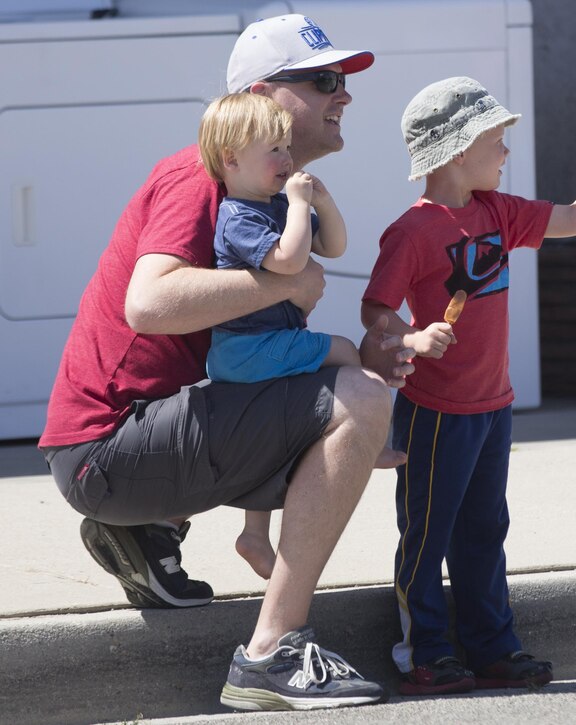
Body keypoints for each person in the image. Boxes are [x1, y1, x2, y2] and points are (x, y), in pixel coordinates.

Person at [38, 14, 413, 711]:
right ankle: (272, 653)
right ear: (267, 98)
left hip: (121, 445)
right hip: (107, 447)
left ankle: (144, 534)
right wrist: (286, 288)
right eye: (326, 80)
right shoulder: (199, 175)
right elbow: (149, 304)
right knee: (358, 400)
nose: (346, 96)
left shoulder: (267, 193)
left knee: (342, 391)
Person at [361, 76, 576, 695]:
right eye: (497, 141)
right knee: (427, 534)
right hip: (434, 412)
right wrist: (414, 337)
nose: (506, 152)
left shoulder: (499, 213)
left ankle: (491, 647)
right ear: (456, 151)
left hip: (492, 409)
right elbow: (375, 314)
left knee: (484, 532)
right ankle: (425, 651)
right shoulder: (412, 231)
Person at [197, 92, 366, 579]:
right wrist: (296, 203)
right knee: (346, 351)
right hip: (250, 349)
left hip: (258, 352)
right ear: (231, 159)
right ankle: (369, 432)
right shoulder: (240, 217)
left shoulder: (274, 207)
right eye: (274, 149)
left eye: (288, 148)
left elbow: (333, 246)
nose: (287, 159)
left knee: (274, 442)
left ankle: (254, 536)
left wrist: (323, 204)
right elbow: (289, 262)